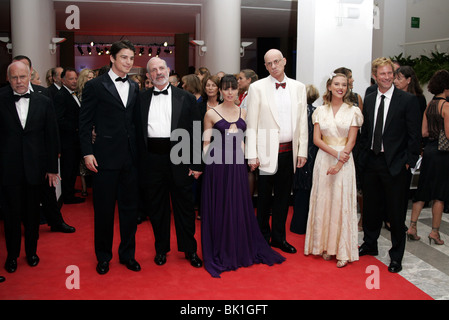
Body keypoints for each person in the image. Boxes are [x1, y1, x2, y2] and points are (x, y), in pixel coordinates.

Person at [201, 74, 285, 278]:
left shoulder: (244, 112)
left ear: (238, 90)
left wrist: (249, 157)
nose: (230, 92)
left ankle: (238, 246)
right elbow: (205, 145)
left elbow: (241, 141)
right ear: (220, 91)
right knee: (221, 206)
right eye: (226, 88)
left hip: (237, 164)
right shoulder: (211, 113)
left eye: (233, 88)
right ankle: (222, 247)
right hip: (218, 166)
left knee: (238, 204)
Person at [79, 40, 142, 275]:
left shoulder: (135, 87)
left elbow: (135, 123)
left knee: (129, 210)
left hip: (130, 159)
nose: (128, 62)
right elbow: (84, 122)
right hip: (104, 158)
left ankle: (128, 255)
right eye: (124, 57)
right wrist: (87, 152)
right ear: (112, 58)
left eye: (131, 58)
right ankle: (103, 256)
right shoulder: (95, 86)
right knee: (104, 211)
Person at [138, 57, 203, 268]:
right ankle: (161, 249)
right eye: (153, 70)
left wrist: (196, 164)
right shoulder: (140, 99)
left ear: (168, 70)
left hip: (180, 158)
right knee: (157, 208)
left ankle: (190, 250)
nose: (158, 72)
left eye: (161, 68)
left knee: (184, 207)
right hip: (151, 160)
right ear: (148, 75)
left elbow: (195, 131)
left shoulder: (186, 98)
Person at [358, 57, 421, 273]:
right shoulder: (369, 97)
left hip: (396, 164)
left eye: (390, 73)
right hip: (372, 161)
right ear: (375, 76)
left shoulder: (407, 100)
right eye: (382, 74)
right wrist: (363, 157)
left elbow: (414, 137)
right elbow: (366, 132)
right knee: (371, 208)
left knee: (396, 212)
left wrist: (408, 163)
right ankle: (370, 244)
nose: (387, 77)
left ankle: (396, 256)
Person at [245, 49, 308, 254]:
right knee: (263, 198)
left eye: (276, 62)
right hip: (264, 153)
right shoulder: (257, 88)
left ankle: (278, 238)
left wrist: (302, 151)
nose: (273, 66)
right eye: (269, 63)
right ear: (265, 66)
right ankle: (261, 238)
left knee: (283, 199)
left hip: (289, 152)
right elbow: (251, 123)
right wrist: (252, 155)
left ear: (284, 61)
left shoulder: (299, 87)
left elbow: (302, 123)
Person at [0, 61, 59, 273]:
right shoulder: (1, 99)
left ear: (30, 76)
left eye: (22, 77)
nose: (19, 82)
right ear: (8, 79)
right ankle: (12, 255)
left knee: (33, 215)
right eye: (14, 78)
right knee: (11, 216)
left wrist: (52, 168)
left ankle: (32, 252)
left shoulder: (44, 102)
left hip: (37, 169)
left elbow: (52, 137)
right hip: (8, 170)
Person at [304, 73, 363, 268]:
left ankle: (343, 250)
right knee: (324, 200)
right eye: (337, 84)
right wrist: (335, 155)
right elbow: (316, 140)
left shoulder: (353, 111)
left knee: (341, 201)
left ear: (347, 88)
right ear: (329, 86)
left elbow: (352, 140)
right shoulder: (320, 110)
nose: (340, 87)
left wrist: (340, 161)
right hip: (324, 158)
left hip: (345, 162)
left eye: (344, 85)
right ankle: (324, 246)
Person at [406, 69, 449, 245]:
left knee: (422, 191)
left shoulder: (429, 105)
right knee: (439, 194)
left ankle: (412, 227)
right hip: (442, 154)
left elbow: (423, 131)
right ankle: (434, 233)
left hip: (429, 151)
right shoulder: (446, 106)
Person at [333, 66, 365, 231]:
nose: (352, 81)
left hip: (354, 147)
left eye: (348, 80)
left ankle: (360, 219)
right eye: (350, 77)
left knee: (357, 185)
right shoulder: (328, 104)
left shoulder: (356, 99)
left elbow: (360, 126)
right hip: (333, 149)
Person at [290, 84, 319, 235]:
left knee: (299, 188)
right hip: (313, 154)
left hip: (299, 153)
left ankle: (298, 225)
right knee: (308, 189)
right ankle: (306, 224)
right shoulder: (316, 112)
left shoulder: (297, 113)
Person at [54, 67, 85, 205]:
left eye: (75, 78)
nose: (74, 81)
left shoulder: (72, 94)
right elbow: (59, 120)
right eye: (70, 79)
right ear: (63, 80)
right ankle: (68, 196)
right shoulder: (61, 96)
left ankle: (70, 191)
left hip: (74, 140)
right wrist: (76, 127)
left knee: (73, 169)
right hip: (67, 141)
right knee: (68, 169)